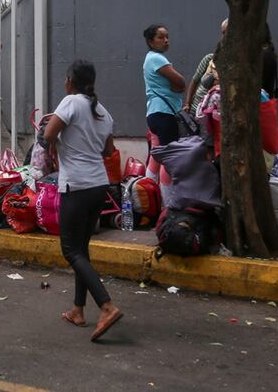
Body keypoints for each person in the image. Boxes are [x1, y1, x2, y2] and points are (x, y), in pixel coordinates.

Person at [43, 60, 123, 342]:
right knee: (82, 249)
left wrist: (56, 141)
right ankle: (78, 310)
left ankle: (107, 305)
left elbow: (48, 134)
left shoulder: (71, 102)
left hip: (75, 185)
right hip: (98, 185)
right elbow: (109, 149)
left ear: (70, 81)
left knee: (70, 250)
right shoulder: (103, 112)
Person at [142, 24, 186, 147]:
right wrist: (179, 87)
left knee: (160, 156)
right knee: (171, 156)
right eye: (160, 37)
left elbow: (180, 85)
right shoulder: (156, 59)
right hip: (164, 113)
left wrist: (179, 87)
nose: (166, 40)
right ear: (150, 42)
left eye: (167, 37)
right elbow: (181, 82)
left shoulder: (151, 58)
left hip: (156, 112)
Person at [184, 18, 227, 114]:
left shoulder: (233, 68)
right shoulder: (209, 59)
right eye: (223, 33)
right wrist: (188, 104)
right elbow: (194, 80)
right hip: (195, 111)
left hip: (212, 116)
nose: (224, 37)